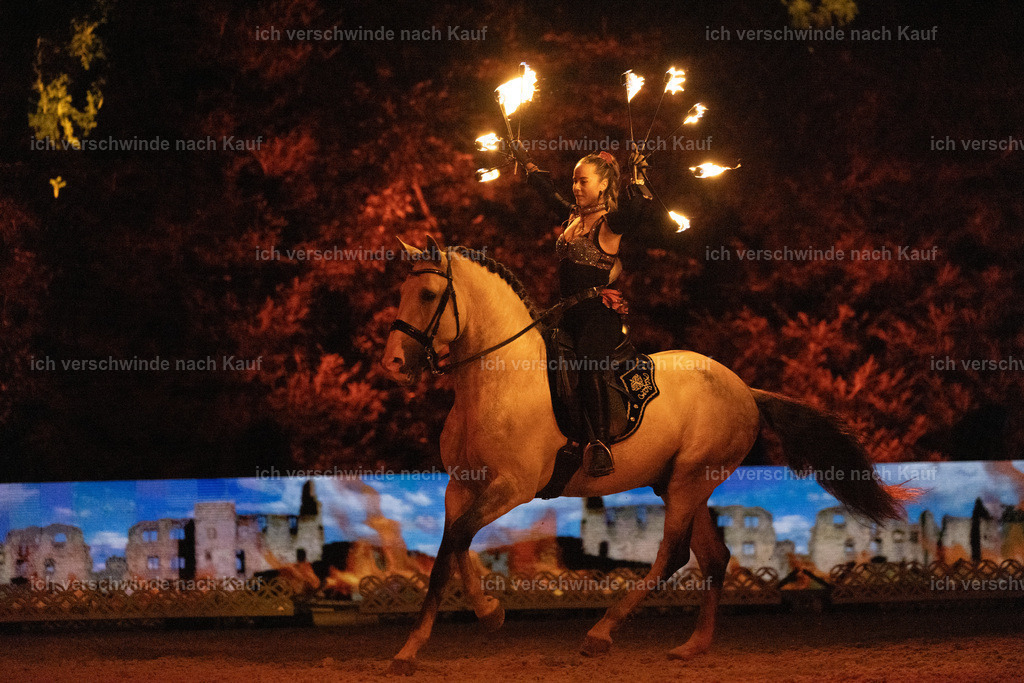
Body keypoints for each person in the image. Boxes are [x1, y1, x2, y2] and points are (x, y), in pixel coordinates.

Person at [514, 146, 654, 477]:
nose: (576, 188)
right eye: (574, 181)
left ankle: (600, 445)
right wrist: (527, 163)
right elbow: (550, 196)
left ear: (603, 186)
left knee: (589, 363)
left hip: (598, 316)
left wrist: (638, 176)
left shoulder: (609, 224)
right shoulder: (573, 219)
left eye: (583, 181)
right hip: (568, 314)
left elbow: (639, 206)